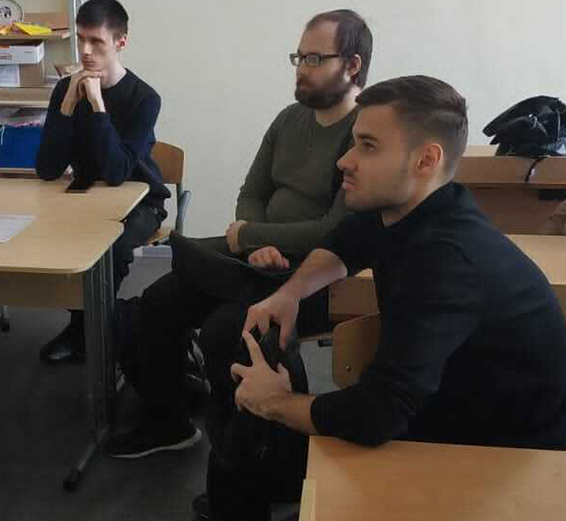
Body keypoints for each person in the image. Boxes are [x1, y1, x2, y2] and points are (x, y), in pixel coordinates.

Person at [216, 76, 566, 521]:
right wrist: (290, 294)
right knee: (244, 437)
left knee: (259, 424)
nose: (345, 160)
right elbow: (345, 243)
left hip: (504, 459)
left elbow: (378, 415)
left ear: (426, 160)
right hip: (439, 415)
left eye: (368, 146)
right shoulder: (412, 209)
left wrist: (276, 403)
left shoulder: (445, 261)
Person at [107, 9, 372, 459]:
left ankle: (242, 463)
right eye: (299, 57)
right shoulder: (289, 120)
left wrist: (253, 236)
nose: (301, 69)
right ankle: (168, 421)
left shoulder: (363, 134)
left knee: (226, 331)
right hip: (257, 259)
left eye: (314, 59)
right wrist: (257, 241)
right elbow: (252, 192)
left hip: (315, 274)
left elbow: (336, 229)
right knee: (156, 303)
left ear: (352, 65)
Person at [35, 0, 169, 363]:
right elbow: (47, 169)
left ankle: (93, 330)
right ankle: (85, 324)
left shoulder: (145, 98)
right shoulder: (65, 90)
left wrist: (96, 105)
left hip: (141, 200)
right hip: (85, 195)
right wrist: (67, 105)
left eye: (97, 41)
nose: (85, 51)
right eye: (81, 39)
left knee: (110, 248)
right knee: (50, 237)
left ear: (121, 42)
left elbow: (117, 172)